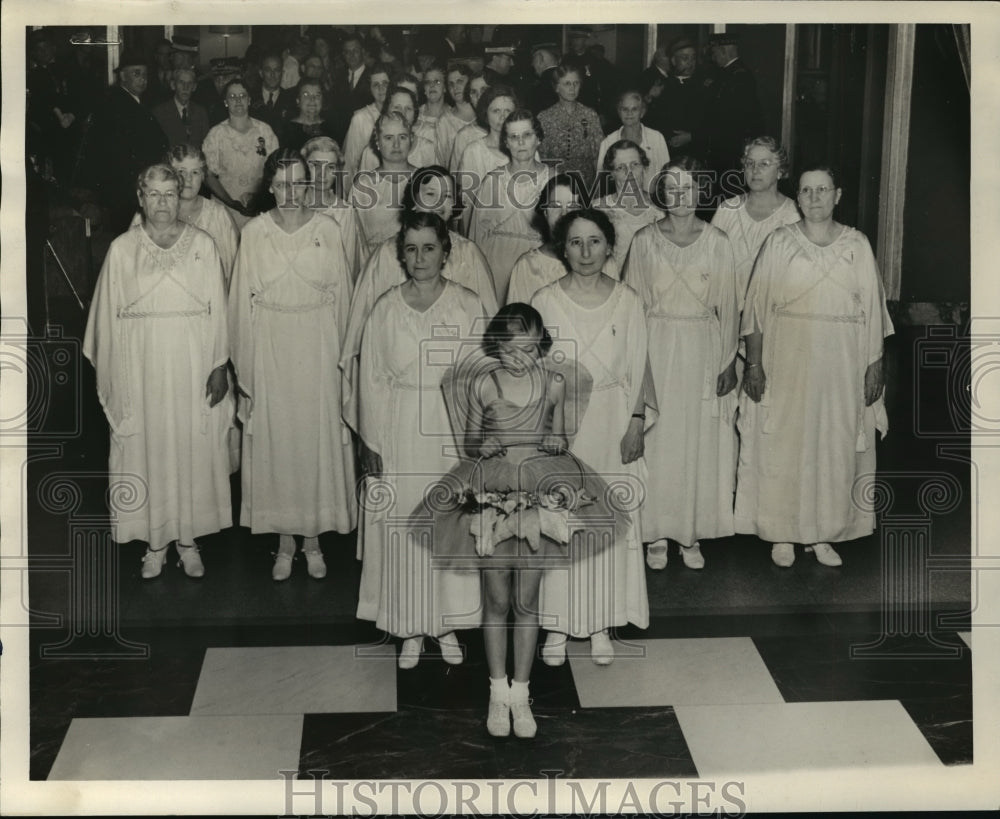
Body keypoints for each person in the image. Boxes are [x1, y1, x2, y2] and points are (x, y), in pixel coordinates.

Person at [411, 303, 625, 737]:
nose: (519, 357)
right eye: (509, 348)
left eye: (527, 349)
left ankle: (521, 693)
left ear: (541, 344)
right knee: (495, 599)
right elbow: (471, 442)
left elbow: (562, 438)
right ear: (496, 345)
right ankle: (496, 691)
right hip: (491, 490)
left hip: (539, 491)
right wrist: (482, 444)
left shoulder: (554, 384)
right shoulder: (486, 384)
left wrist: (554, 438)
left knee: (527, 600)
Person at [735, 165, 893, 568]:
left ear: (837, 195)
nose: (815, 198)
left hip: (841, 364)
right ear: (798, 196)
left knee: (832, 444)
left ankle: (823, 532)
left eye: (823, 189)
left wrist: (874, 366)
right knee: (786, 443)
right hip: (787, 359)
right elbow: (754, 308)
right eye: (806, 191)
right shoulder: (779, 242)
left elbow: (874, 313)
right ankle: (783, 532)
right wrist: (754, 364)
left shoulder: (858, 244)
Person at [83, 163, 232, 580]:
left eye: (170, 193)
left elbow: (218, 309)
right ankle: (154, 544)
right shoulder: (122, 250)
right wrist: (117, 381)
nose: (163, 202)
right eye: (154, 194)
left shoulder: (203, 243)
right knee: (148, 448)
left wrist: (219, 363)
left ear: (180, 194)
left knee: (188, 447)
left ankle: (187, 541)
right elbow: (105, 324)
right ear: (140, 198)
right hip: (142, 369)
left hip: (191, 363)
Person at [352, 210, 484, 668]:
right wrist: (372, 442)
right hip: (400, 426)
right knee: (405, 524)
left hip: (451, 431)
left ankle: (446, 622)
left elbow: (481, 377)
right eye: (411, 249)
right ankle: (409, 625)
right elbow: (369, 378)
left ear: (446, 252)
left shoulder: (468, 303)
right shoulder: (385, 307)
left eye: (429, 247)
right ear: (400, 255)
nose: (420, 257)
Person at [531, 208, 654, 665]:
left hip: (613, 421)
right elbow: (532, 373)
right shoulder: (543, 300)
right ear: (563, 247)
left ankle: (602, 622)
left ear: (609, 247)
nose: (586, 252)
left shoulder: (629, 301)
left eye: (595, 242)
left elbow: (641, 367)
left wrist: (637, 423)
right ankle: (558, 626)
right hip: (562, 427)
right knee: (561, 520)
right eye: (576, 242)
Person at [228, 149, 358, 581]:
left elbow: (343, 300)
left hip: (318, 345)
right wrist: (245, 368)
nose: (289, 193)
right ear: (270, 186)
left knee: (313, 438)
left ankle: (313, 540)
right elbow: (239, 305)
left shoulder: (329, 229)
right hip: (270, 345)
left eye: (297, 183)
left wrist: (344, 367)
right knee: (278, 442)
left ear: (309, 185)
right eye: (280, 184)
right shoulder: (254, 233)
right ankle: (284, 542)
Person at [624, 157, 739, 570]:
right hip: (656, 345)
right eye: (672, 189)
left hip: (703, 350)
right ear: (661, 194)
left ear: (701, 192)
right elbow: (631, 308)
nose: (680, 197)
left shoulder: (719, 241)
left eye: (688, 189)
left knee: (696, 442)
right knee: (659, 440)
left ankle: (689, 533)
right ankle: (655, 531)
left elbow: (729, 306)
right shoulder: (643, 240)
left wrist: (728, 363)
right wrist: (635, 366)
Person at [73, 50, 168, 234]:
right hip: (125, 190)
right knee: (127, 239)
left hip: (133, 187)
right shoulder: (117, 104)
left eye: (145, 74)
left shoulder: (136, 102)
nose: (142, 79)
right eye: (136, 73)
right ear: (123, 76)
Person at [467, 109, 551, 305]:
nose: (520, 142)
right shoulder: (491, 182)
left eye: (527, 135)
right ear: (506, 143)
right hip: (497, 275)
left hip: (538, 275)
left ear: (538, 138)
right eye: (513, 137)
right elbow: (475, 241)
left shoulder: (553, 180)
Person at [129, 145, 240, 291]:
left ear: (203, 177)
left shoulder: (219, 216)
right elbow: (130, 267)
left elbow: (235, 273)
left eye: (195, 172)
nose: (188, 179)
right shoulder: (147, 214)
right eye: (181, 171)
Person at [711, 136, 800, 307]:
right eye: (750, 163)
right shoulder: (727, 210)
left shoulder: (794, 214)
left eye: (764, 164)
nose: (755, 170)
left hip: (774, 315)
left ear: (780, 171)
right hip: (728, 312)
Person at [508, 172, 620, 304]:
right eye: (555, 206)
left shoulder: (601, 260)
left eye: (572, 206)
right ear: (545, 212)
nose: (564, 214)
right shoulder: (527, 266)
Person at [201, 78, 280, 228]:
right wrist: (231, 202)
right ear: (225, 102)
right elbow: (208, 175)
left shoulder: (264, 131)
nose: (238, 100)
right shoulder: (216, 134)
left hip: (258, 207)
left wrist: (258, 197)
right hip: (226, 208)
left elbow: (275, 171)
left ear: (249, 100)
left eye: (242, 96)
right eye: (232, 97)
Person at [349, 111, 415, 260]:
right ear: (377, 142)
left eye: (402, 137)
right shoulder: (364, 185)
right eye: (388, 138)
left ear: (411, 139)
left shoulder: (424, 180)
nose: (396, 145)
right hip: (375, 268)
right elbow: (355, 239)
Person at [701, 34, 765, 186]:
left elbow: (735, 117)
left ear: (724, 51)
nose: (713, 58)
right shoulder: (727, 73)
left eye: (715, 53)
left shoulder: (739, 76)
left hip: (731, 149)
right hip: (723, 146)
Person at [301, 136, 363, 282]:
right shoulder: (293, 206)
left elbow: (348, 267)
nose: (321, 174)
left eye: (330, 167)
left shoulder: (345, 212)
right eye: (315, 165)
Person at [592, 140, 661, 269]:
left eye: (635, 164)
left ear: (644, 168)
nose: (629, 172)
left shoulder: (660, 208)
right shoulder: (598, 210)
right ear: (612, 173)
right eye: (620, 167)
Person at [537, 65, 604, 186]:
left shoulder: (590, 115)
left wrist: (600, 186)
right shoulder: (544, 118)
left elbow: (598, 156)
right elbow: (540, 159)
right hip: (555, 184)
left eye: (576, 83)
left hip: (586, 185)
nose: (572, 88)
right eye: (567, 83)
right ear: (557, 87)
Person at [643, 38, 707, 158]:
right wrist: (649, 97)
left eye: (693, 58)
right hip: (664, 153)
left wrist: (692, 136)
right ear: (673, 61)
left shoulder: (705, 87)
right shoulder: (662, 85)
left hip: (694, 154)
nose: (690, 63)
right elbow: (646, 120)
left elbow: (715, 124)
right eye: (685, 58)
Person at [595, 92, 670, 192]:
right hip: (619, 202)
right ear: (619, 112)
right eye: (625, 109)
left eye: (634, 109)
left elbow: (667, 177)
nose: (629, 113)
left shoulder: (657, 138)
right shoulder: (608, 142)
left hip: (652, 202)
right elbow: (602, 183)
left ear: (642, 112)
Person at [357, 85, 438, 175]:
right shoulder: (370, 154)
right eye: (397, 108)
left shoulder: (427, 149)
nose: (403, 113)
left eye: (408, 109)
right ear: (386, 110)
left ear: (415, 114)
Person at [455, 85, 518, 189]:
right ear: (486, 114)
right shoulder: (473, 152)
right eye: (496, 111)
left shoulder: (526, 148)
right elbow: (467, 198)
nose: (502, 116)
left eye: (507, 111)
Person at [341, 63, 393, 179]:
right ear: (370, 89)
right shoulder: (361, 118)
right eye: (375, 85)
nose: (381, 88)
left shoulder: (401, 113)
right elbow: (350, 161)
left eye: (385, 83)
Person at [152, 68, 211, 152]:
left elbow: (207, 146)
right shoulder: (159, 112)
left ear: (194, 87)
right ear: (173, 85)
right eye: (181, 82)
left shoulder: (201, 112)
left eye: (189, 83)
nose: (185, 87)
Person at [280, 78, 338, 152]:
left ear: (322, 100)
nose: (312, 99)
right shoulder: (286, 130)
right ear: (298, 100)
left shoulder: (331, 129)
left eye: (317, 95)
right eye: (306, 95)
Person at [448, 74, 491, 170]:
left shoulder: (510, 128)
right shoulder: (464, 136)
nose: (479, 96)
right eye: (473, 92)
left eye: (484, 90)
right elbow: (456, 179)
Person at [250, 54, 297, 133]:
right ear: (261, 73)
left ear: (282, 73)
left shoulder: (291, 100)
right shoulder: (250, 97)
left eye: (277, 70)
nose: (272, 74)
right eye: (268, 70)